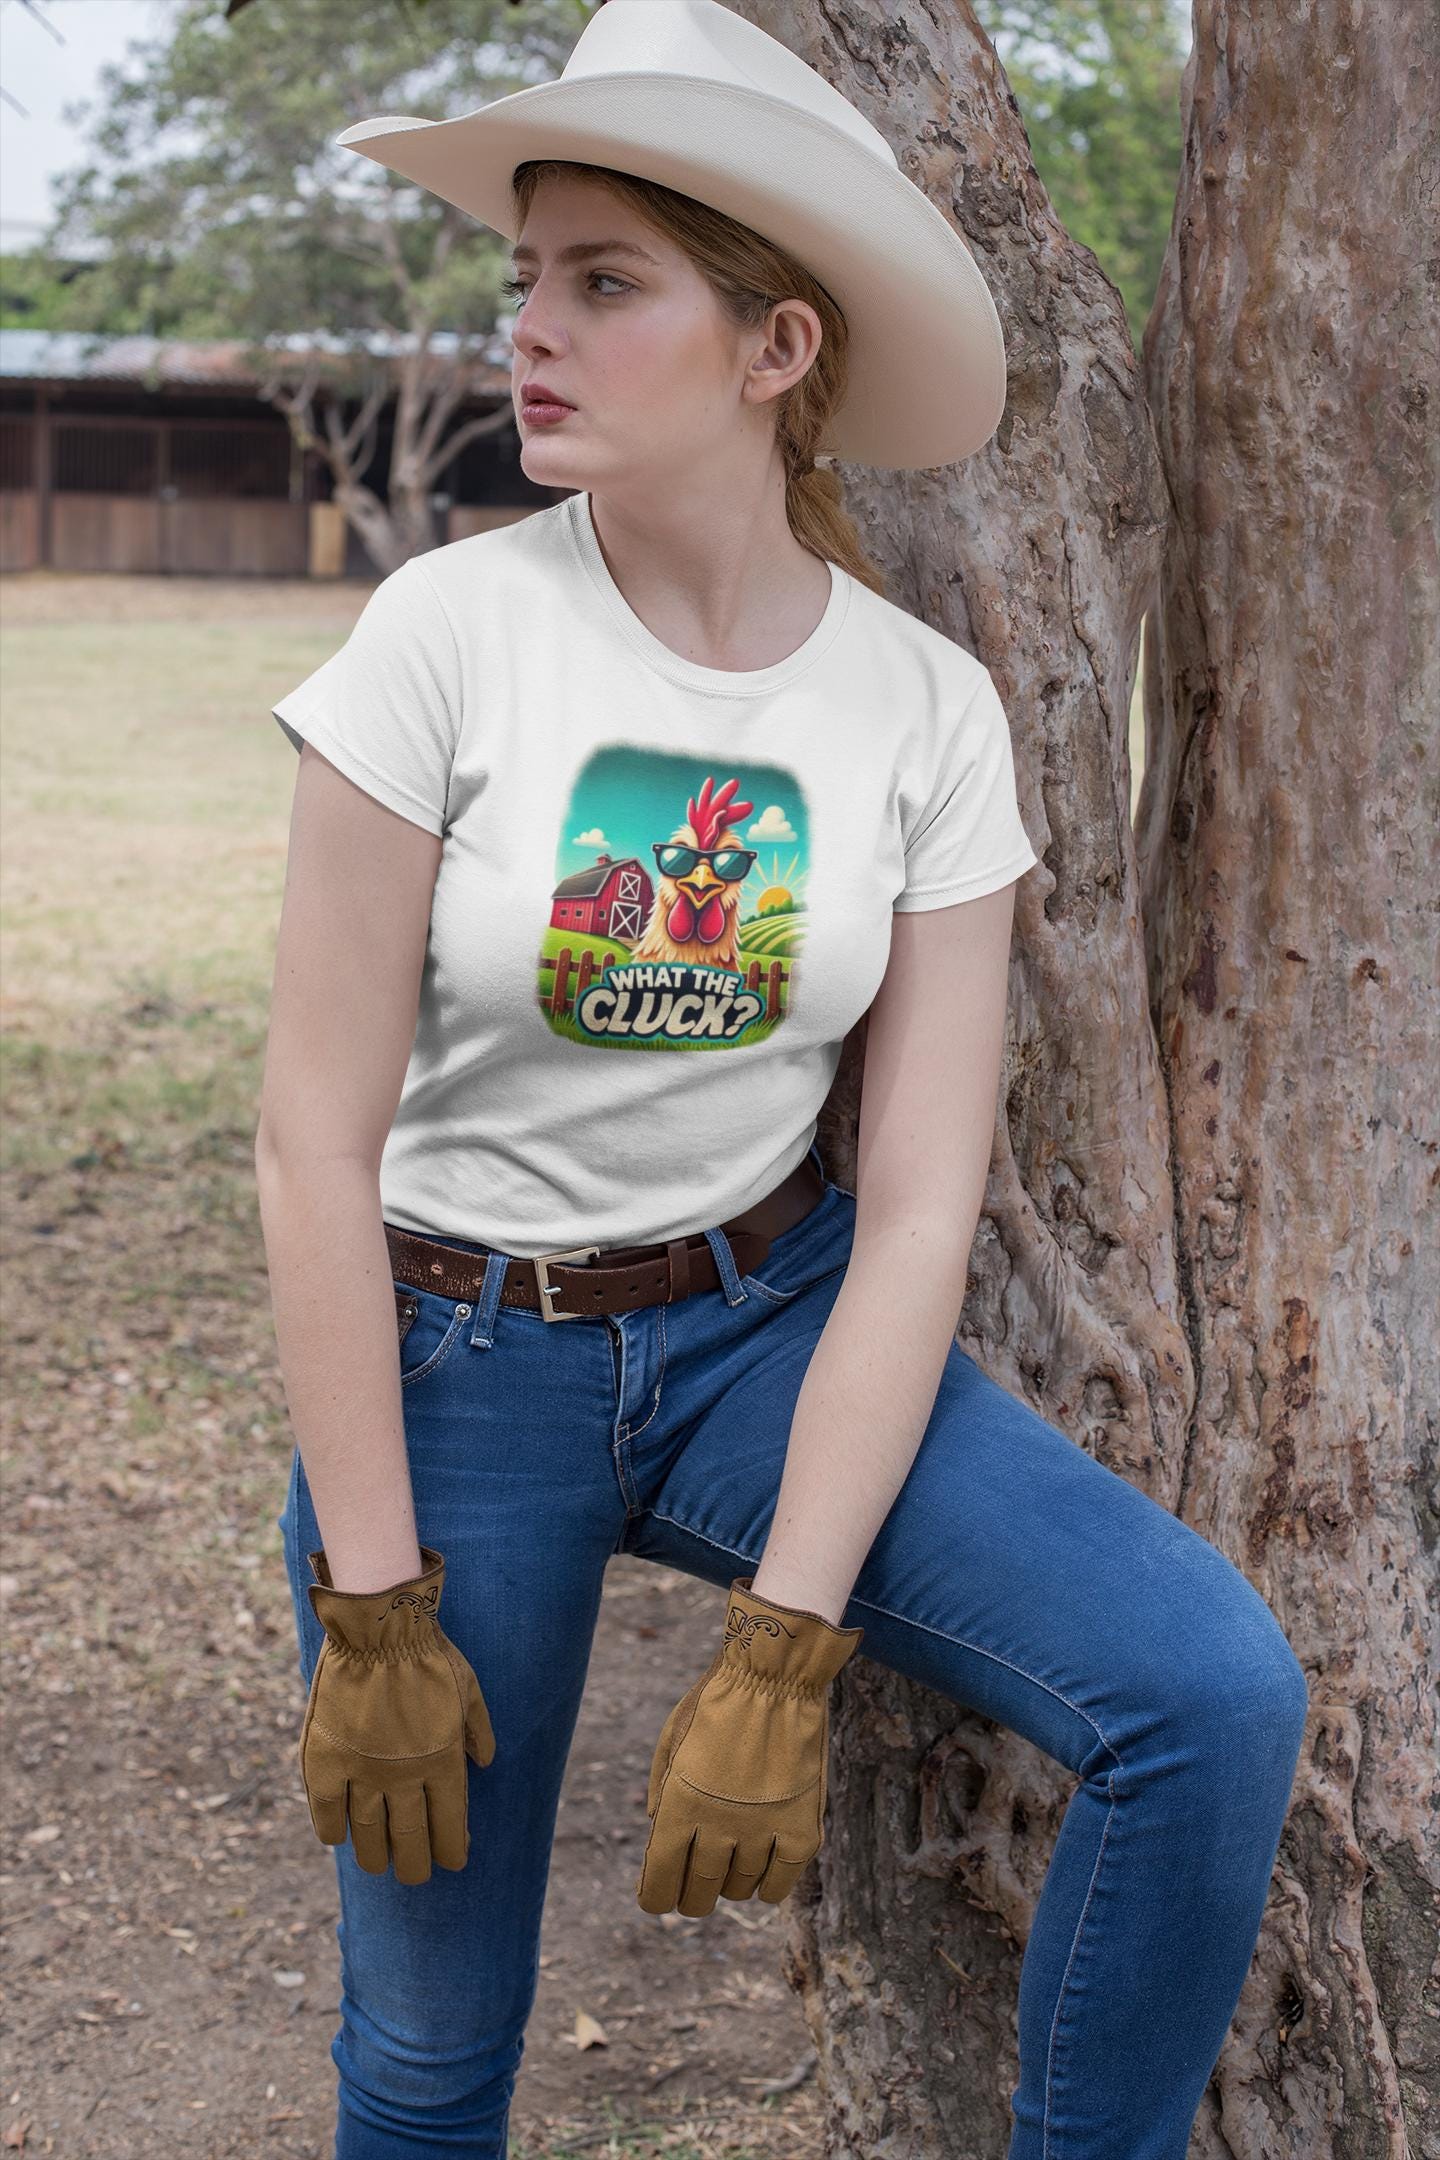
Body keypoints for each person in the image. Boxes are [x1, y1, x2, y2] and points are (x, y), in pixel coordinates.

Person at [254, 5, 1310, 2157]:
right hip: (457, 1350)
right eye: (527, 276)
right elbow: (308, 1145)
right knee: (438, 2050)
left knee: (1206, 1698)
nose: (530, 327)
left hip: (772, 1325)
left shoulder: (920, 711)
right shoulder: (443, 640)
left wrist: (786, 1644)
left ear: (772, 345)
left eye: (604, 280)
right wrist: (373, 1600)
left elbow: (920, 1199)